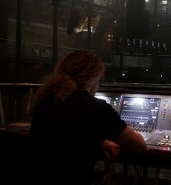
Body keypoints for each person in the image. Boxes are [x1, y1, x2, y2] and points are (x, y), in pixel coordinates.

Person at [27, 50, 147, 185]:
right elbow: (139, 145)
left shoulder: (45, 100)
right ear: (93, 78)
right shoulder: (97, 107)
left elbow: (66, 135)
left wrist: (99, 140)